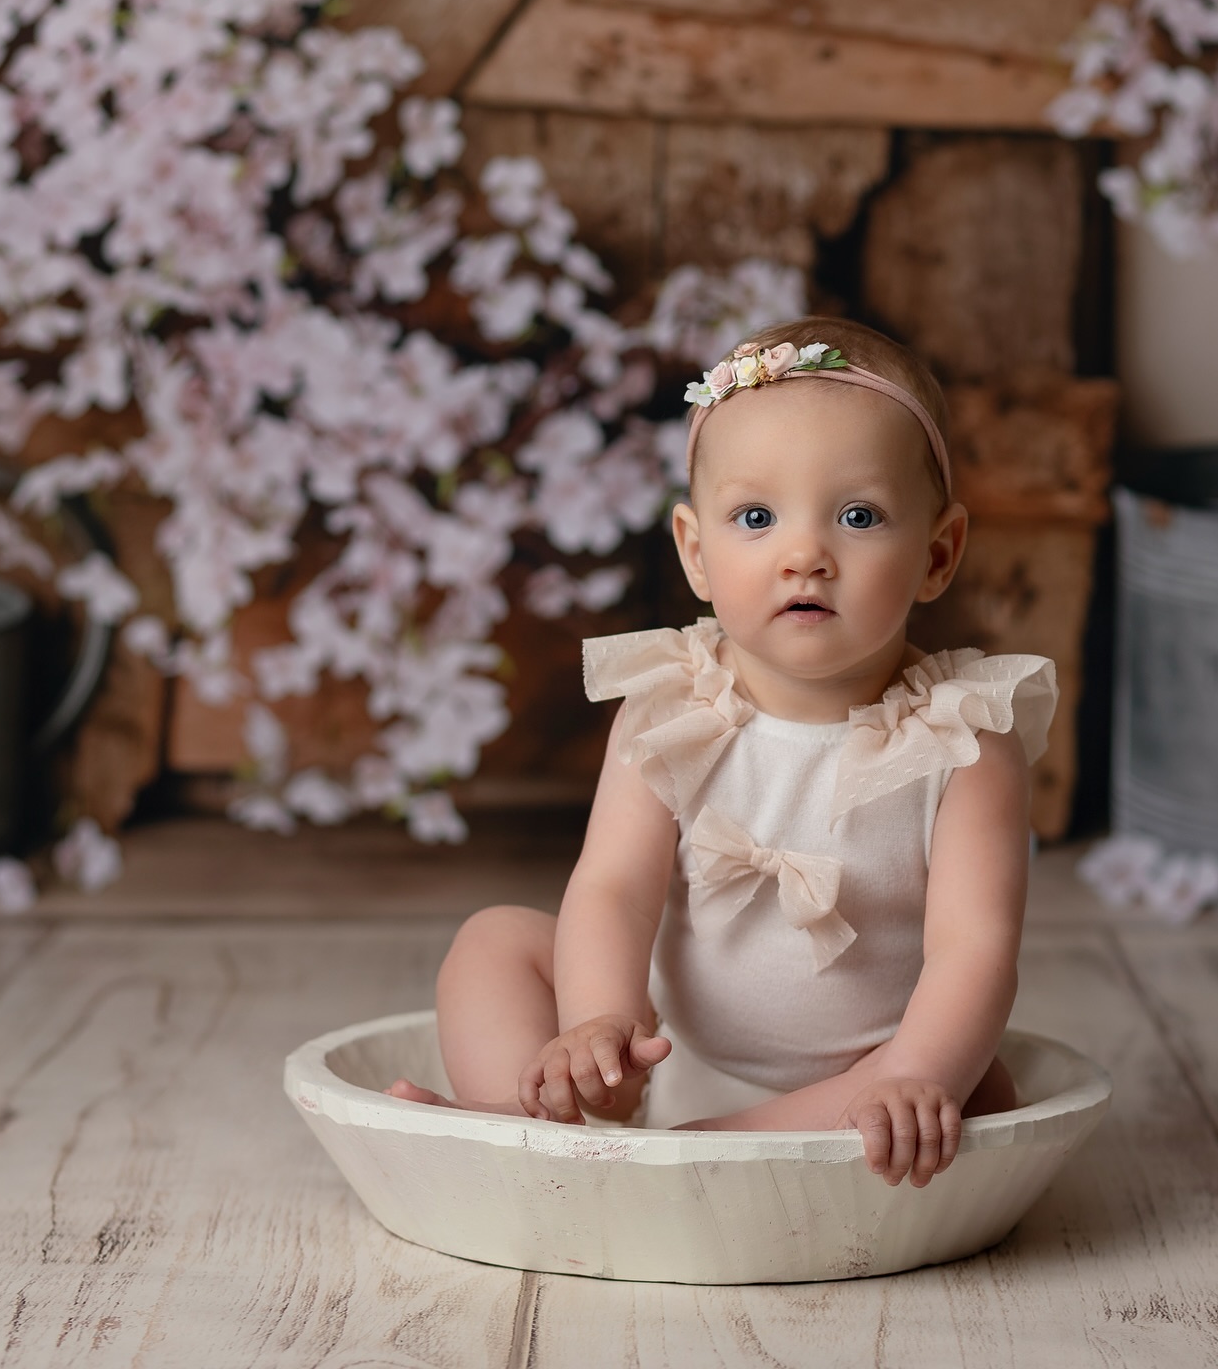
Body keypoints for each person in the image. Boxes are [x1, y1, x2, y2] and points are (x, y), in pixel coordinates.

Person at [388, 316, 1057, 1191]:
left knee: (973, 1093)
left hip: (849, 1085)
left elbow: (975, 950)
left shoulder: (963, 741)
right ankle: (527, 1129)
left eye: (859, 516)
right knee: (495, 943)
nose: (805, 555)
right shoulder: (670, 704)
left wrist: (915, 1072)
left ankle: (683, 1155)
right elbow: (614, 888)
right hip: (668, 1048)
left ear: (938, 555)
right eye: (756, 517)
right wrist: (601, 1022)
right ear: (696, 553)